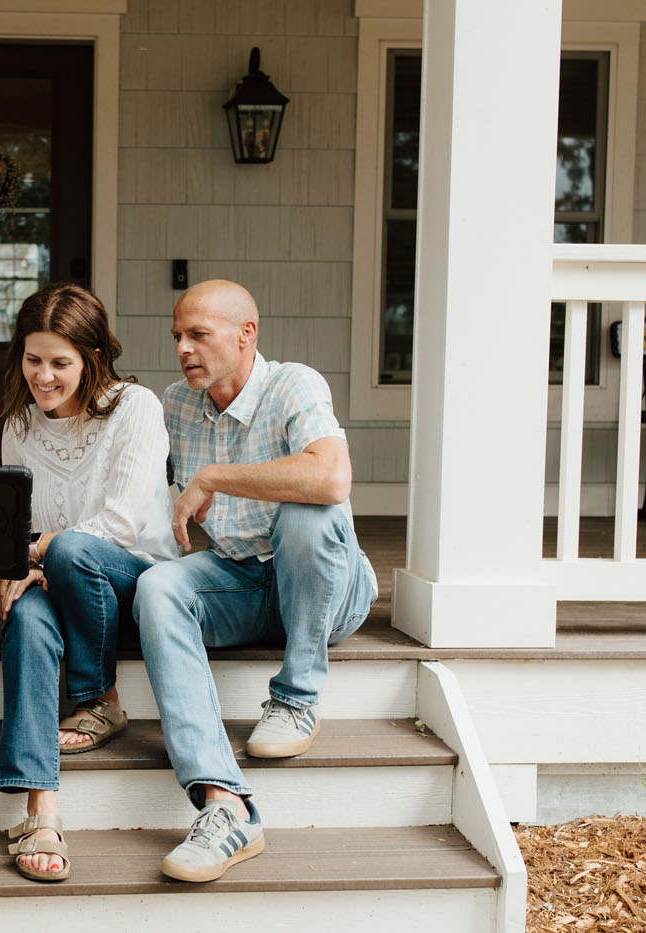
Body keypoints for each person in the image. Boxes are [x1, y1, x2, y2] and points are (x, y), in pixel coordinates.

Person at [133, 280, 378, 884]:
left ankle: (296, 697)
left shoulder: (293, 383)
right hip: (244, 580)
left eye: (198, 335)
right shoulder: (176, 404)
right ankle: (225, 805)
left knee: (305, 510)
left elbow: (330, 479)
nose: (183, 349)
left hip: (328, 589)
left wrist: (215, 476)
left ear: (247, 334)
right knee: (158, 587)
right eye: (177, 338)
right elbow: (141, 497)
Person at [0, 283, 179, 882]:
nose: (43, 376)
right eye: (33, 358)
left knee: (73, 547)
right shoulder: (19, 424)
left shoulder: (136, 407)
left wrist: (36, 552)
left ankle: (98, 697)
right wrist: (18, 568)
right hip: (60, 571)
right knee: (25, 616)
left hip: (133, 579)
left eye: (60, 363)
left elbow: (120, 525)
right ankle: (39, 806)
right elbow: (21, 522)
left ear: (92, 357)